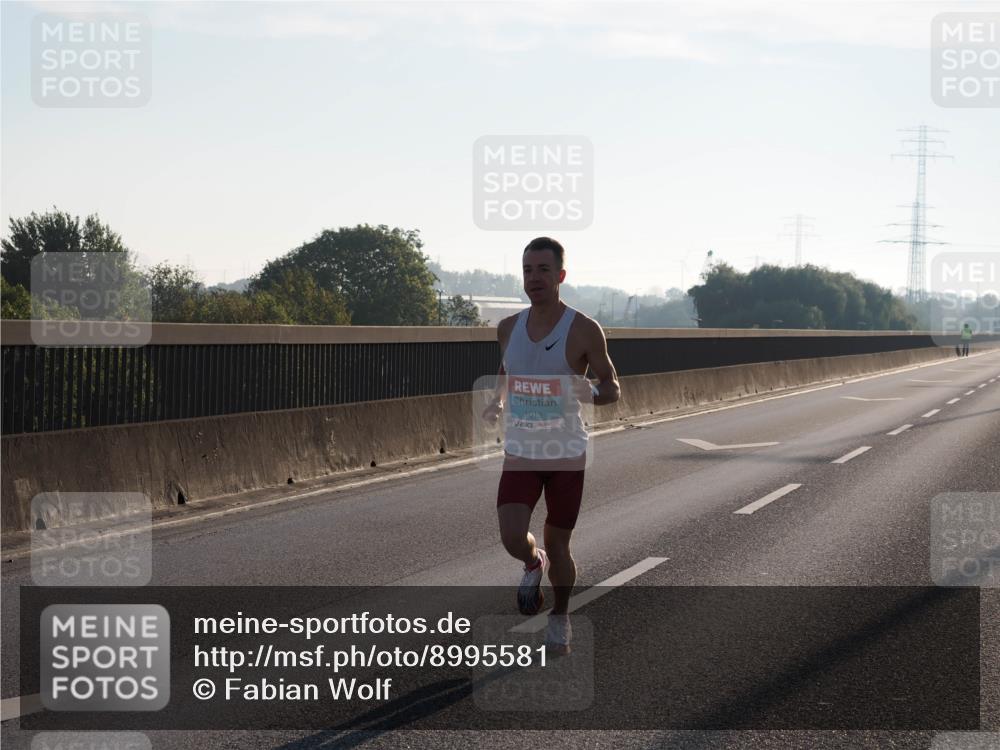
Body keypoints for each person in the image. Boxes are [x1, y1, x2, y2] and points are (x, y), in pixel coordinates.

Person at [481, 237, 620, 654]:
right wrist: (497, 401)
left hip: (566, 455)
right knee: (510, 536)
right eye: (527, 270)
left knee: (559, 544)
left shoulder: (583, 329)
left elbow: (612, 387)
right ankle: (530, 561)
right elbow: (508, 371)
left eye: (543, 270)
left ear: (560, 276)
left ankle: (560, 617)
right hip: (522, 451)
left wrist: (591, 394)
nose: (534, 278)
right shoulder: (508, 328)